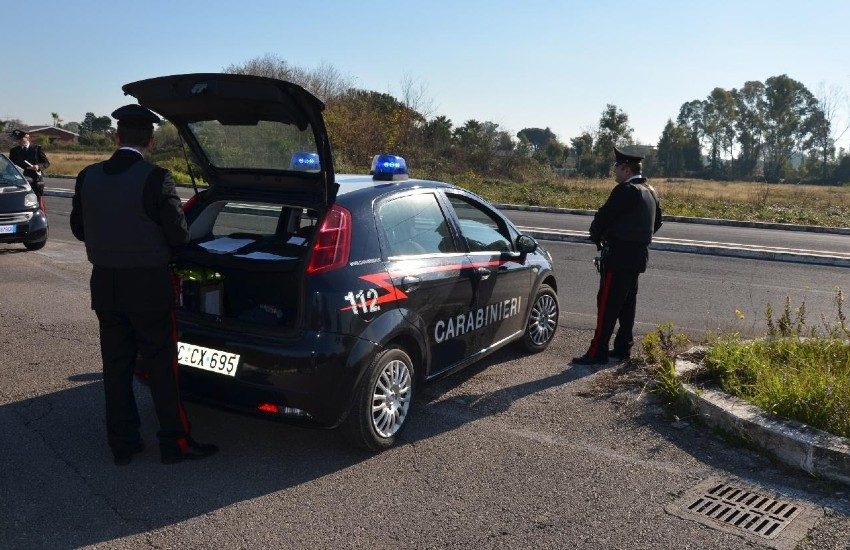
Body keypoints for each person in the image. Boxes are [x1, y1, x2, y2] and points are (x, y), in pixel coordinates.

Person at [70, 104, 218, 465]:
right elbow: (179, 236)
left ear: (117, 136)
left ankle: (123, 443)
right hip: (149, 288)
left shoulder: (88, 176)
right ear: (150, 141)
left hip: (105, 284)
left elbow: (77, 229)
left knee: (116, 366)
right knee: (161, 366)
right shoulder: (156, 178)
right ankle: (174, 443)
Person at [573, 148, 663, 366]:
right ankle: (623, 347)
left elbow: (603, 217)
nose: (614, 171)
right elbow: (657, 222)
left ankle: (597, 352)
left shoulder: (625, 190)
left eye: (616, 167)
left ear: (625, 168)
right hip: (638, 256)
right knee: (627, 304)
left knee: (607, 304)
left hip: (619, 255)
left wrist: (597, 235)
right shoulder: (650, 190)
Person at [9, 129, 50, 211]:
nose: (19, 141)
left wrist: (38, 166)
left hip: (35, 181)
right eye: (18, 139)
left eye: (21, 139)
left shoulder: (36, 149)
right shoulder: (14, 151)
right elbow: (10, 166)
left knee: (37, 205)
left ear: (27, 137)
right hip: (20, 181)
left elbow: (46, 163)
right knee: (21, 205)